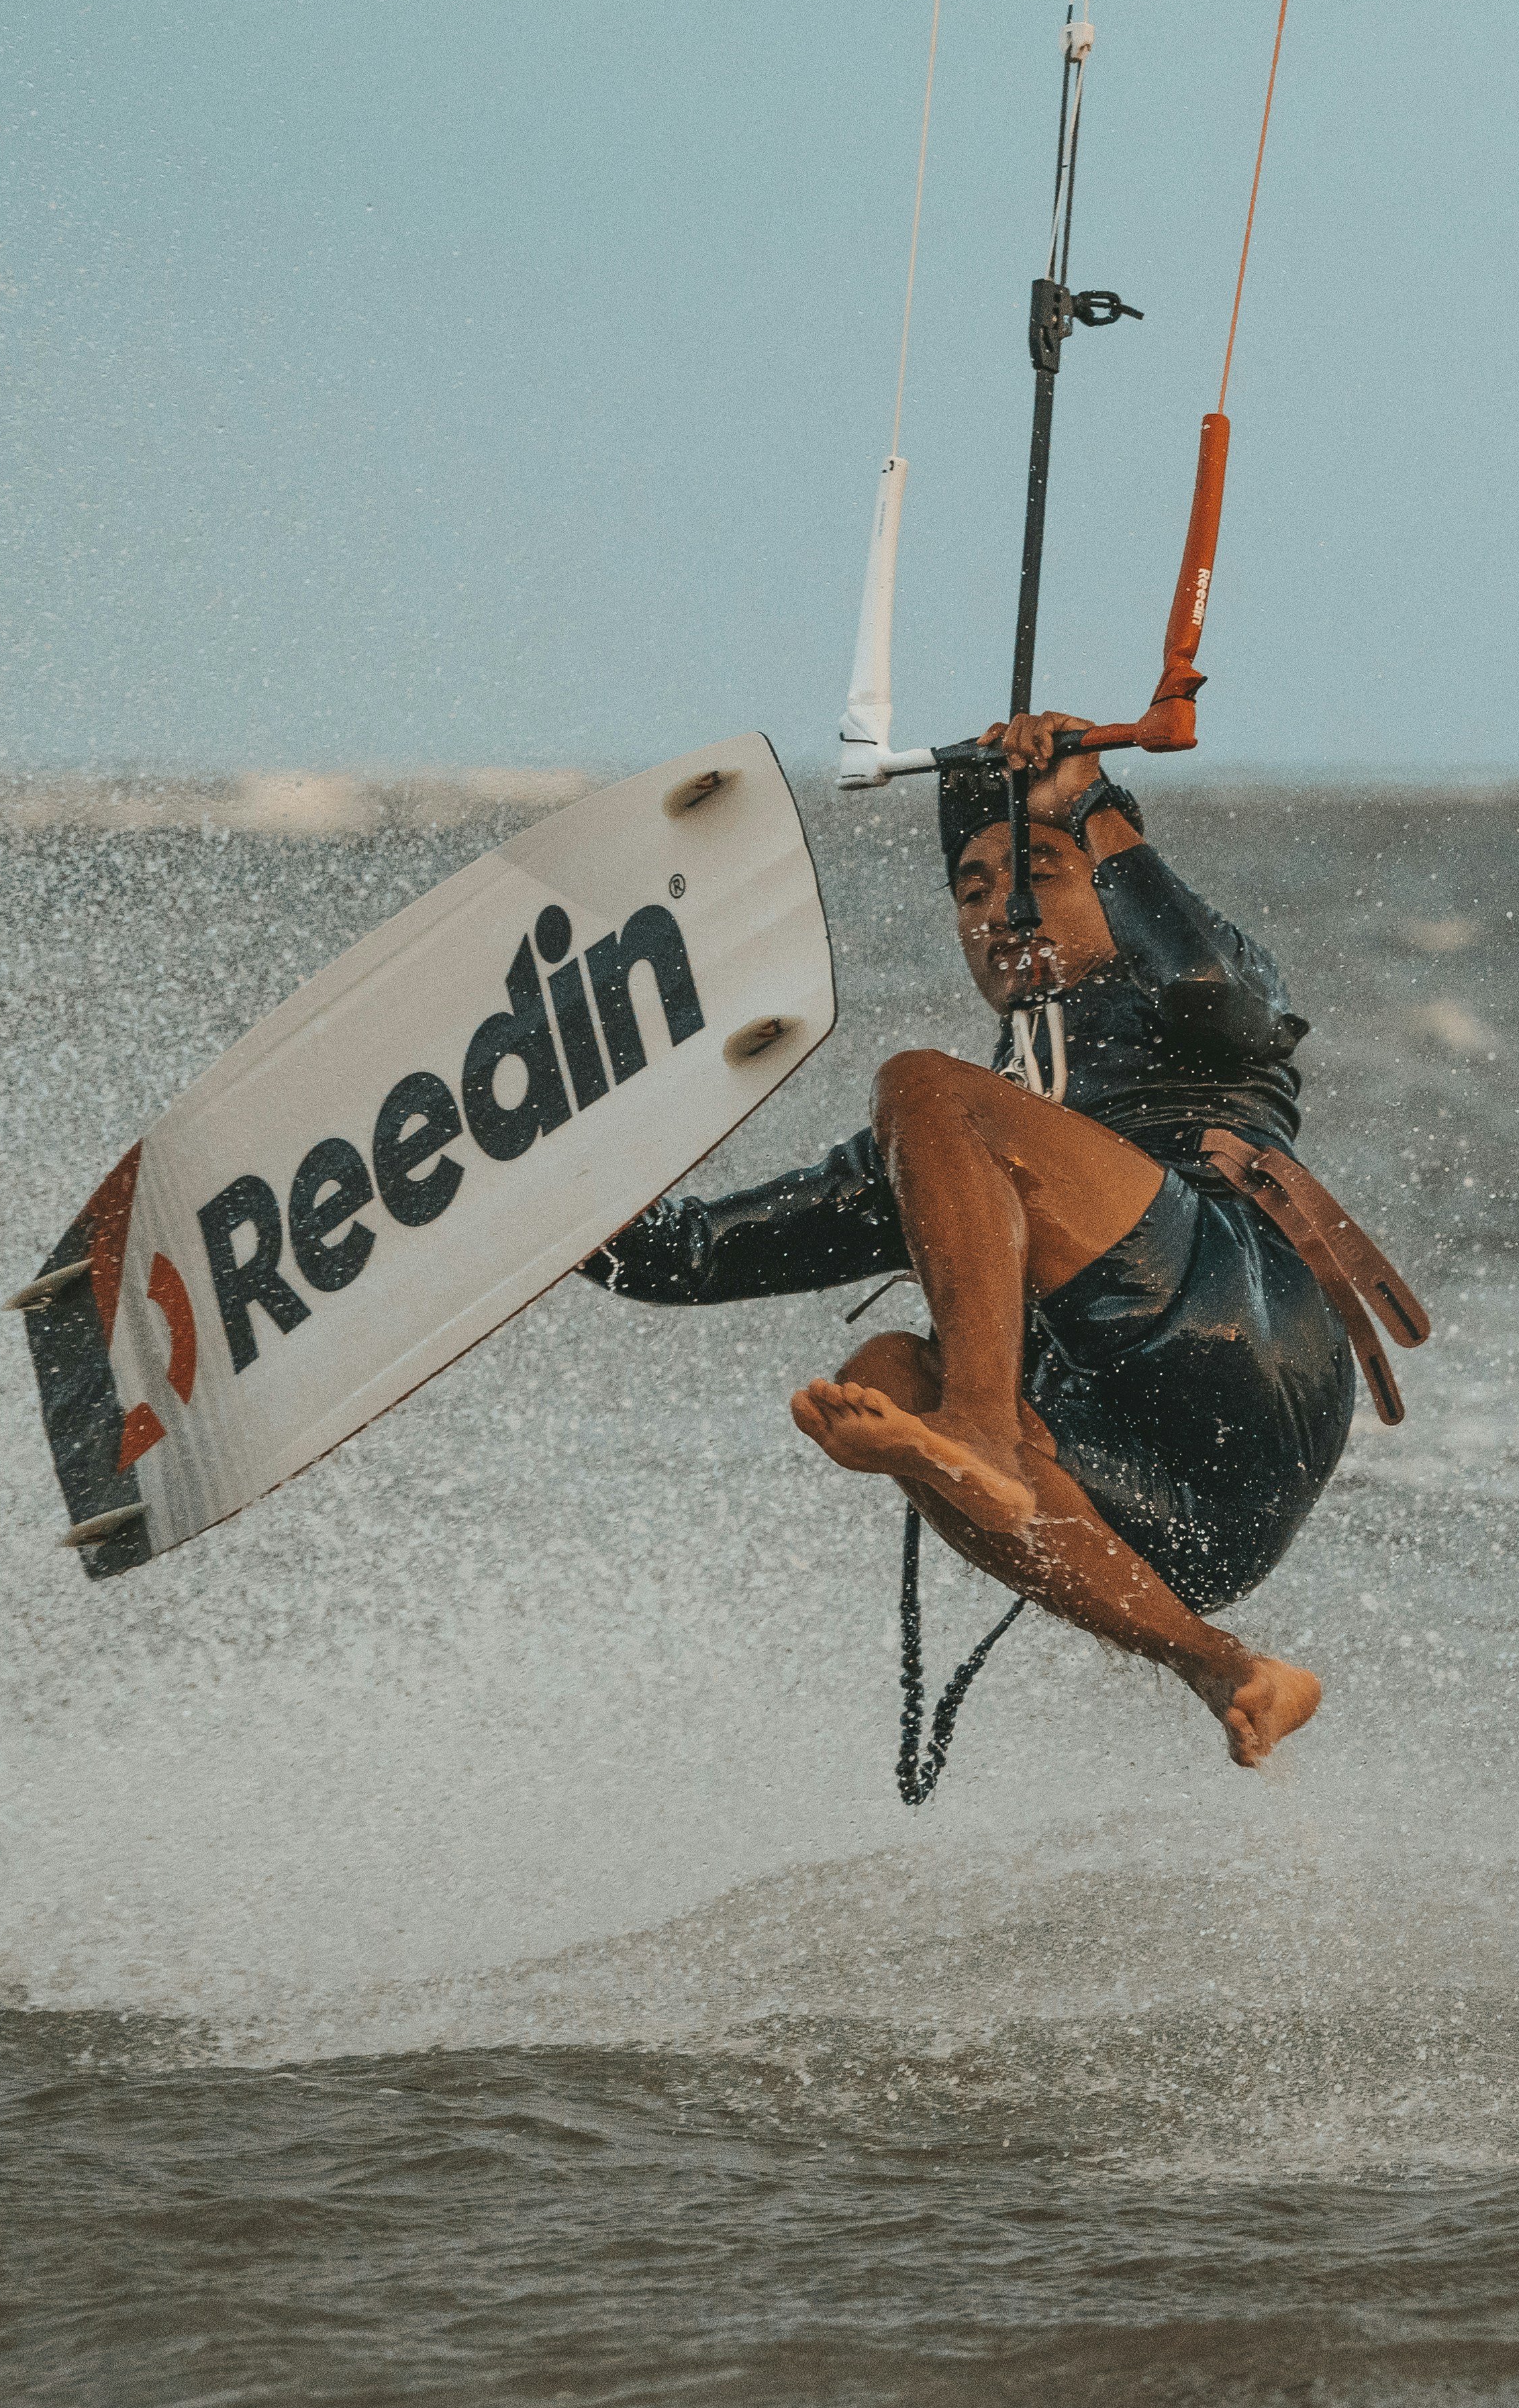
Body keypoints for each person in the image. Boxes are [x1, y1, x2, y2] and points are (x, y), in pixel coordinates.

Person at [583, 713, 1421, 1770]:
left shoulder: (1190, 991)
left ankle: (979, 1424)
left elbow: (1213, 985)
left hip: (1250, 1342)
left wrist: (1089, 809)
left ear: (1110, 885)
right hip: (1171, 1529)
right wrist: (539, 1187)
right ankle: (1222, 1667)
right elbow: (683, 1255)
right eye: (971, 894)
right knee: (888, 1375)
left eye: (1041, 875)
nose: (1000, 909)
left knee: (924, 1088)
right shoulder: (947, 1147)